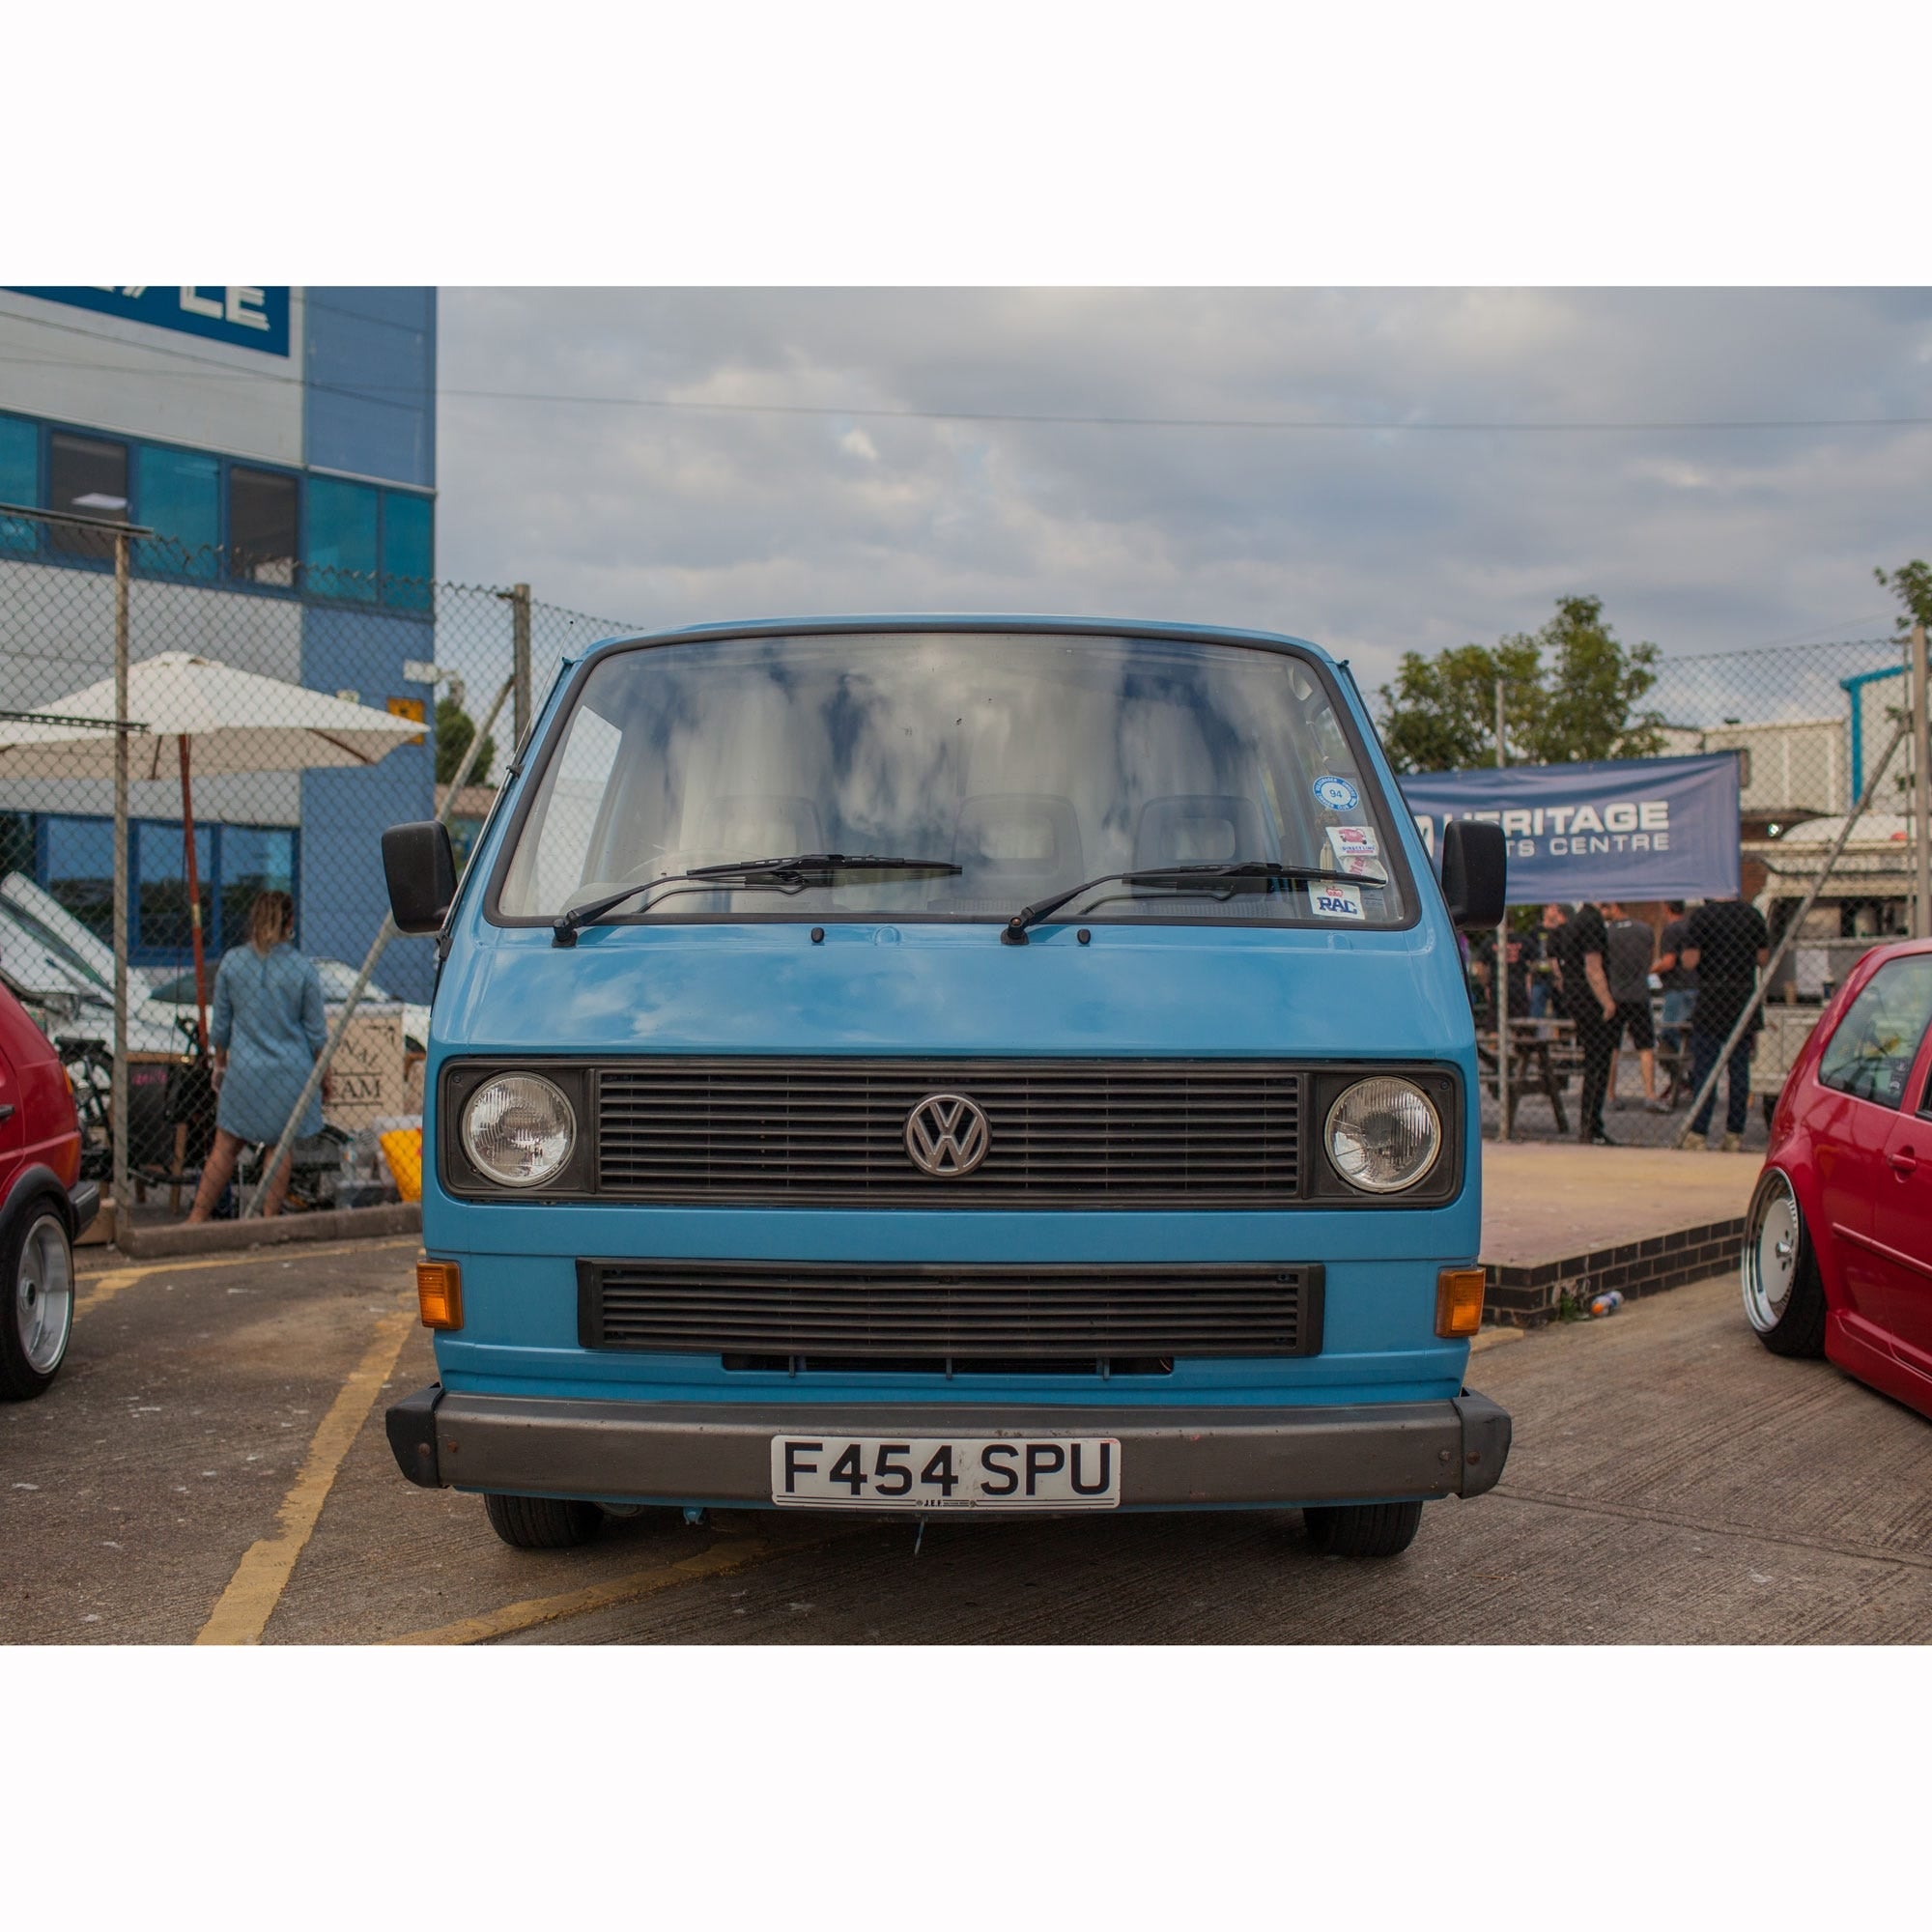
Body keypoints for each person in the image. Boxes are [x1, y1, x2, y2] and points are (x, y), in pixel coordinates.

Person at [187, 891, 329, 1221]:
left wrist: (220, 1063)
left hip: (245, 1070)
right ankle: (268, 1219)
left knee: (225, 1146)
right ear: (290, 922)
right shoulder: (303, 970)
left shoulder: (233, 963)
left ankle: (196, 1218)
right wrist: (325, 1077)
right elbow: (316, 1034)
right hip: (291, 1071)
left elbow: (220, 1026)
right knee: (279, 1148)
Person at [1678, 892, 1771, 1151]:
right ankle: (1734, 1132)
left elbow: (1690, 960)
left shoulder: (1702, 917)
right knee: (1739, 1070)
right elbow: (1763, 958)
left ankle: (1698, 1132)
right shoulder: (1752, 915)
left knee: (1705, 1069)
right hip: (1742, 1000)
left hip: (1711, 1001)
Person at [1545, 900, 1619, 1146]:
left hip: (1577, 998)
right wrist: (1607, 1001)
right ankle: (1591, 1124)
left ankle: (1590, 1124)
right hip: (1590, 1001)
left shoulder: (1575, 922)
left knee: (1593, 1062)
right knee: (1598, 1062)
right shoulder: (1591, 921)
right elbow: (1593, 967)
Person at [1603, 902, 1664, 1112]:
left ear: (1613, 907)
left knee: (1612, 1047)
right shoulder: (1645, 930)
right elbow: (1649, 960)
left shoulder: (1608, 933)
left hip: (1615, 994)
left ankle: (1610, 1093)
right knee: (1645, 1046)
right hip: (1639, 993)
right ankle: (1650, 1093)